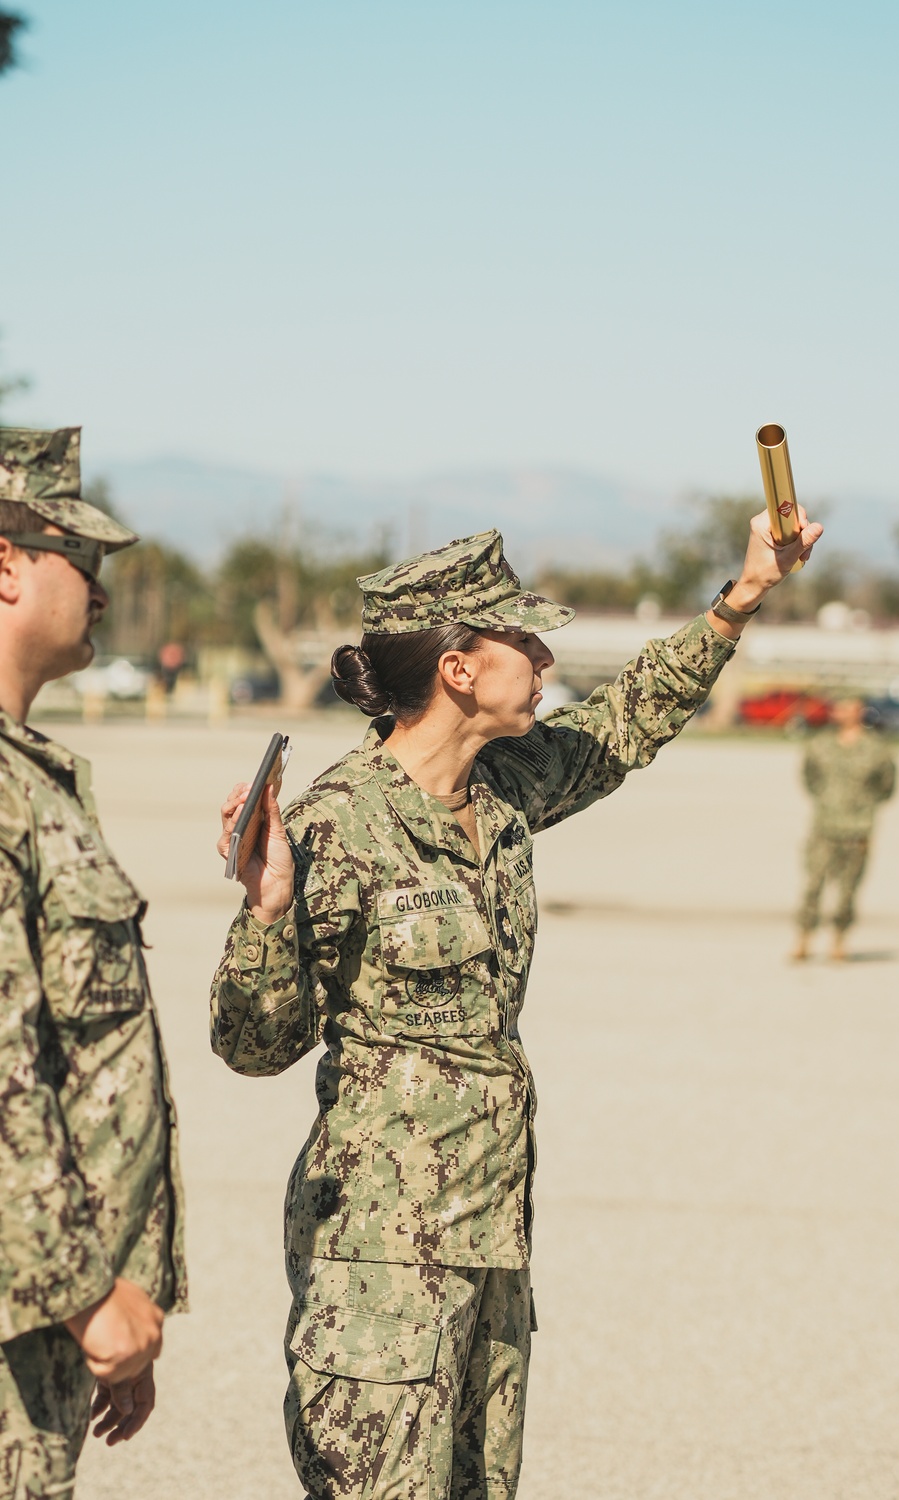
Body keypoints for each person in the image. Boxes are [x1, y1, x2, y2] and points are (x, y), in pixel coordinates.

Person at [212, 509, 822, 1500]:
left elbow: (623, 724)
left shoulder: (500, 791)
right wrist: (269, 911)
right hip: (382, 1264)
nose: (544, 656)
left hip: (489, 1245)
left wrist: (741, 598)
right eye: (522, 639)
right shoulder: (339, 820)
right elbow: (249, 1043)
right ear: (458, 667)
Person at [0, 427, 186, 1498]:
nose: (104, 596)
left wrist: (112, 1292)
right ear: (9, 565)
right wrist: (85, 1293)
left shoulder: (36, 777)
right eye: (88, 562)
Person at [792, 694, 897, 962]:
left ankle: (839, 940)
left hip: (857, 828)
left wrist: (863, 807)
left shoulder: (877, 749)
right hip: (824, 825)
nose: (842, 713)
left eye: (848, 708)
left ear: (860, 711)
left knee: (848, 889)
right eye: (839, 707)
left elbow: (887, 787)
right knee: (813, 885)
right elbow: (809, 778)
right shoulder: (820, 745)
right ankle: (803, 938)